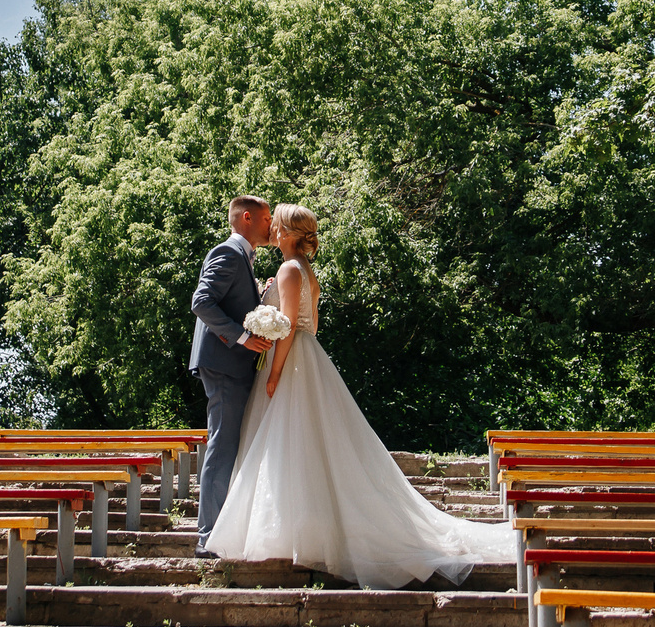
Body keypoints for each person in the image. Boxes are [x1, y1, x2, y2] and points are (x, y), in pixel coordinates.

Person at [204, 203, 514, 587]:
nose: (271, 231)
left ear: (286, 232)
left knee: (287, 447)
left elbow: (284, 330)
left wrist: (276, 373)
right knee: (305, 446)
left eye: (276, 225)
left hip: (289, 362)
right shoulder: (305, 271)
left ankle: (287, 532)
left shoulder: (287, 269)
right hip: (310, 358)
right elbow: (310, 325)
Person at [189, 193, 275, 556]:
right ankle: (208, 539)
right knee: (222, 446)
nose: (272, 225)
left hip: (230, 364)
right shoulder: (227, 252)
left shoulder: (243, 258)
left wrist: (259, 296)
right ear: (246, 219)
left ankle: (217, 531)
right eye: (267, 218)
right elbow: (201, 302)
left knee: (227, 445)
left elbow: (229, 302)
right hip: (224, 364)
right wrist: (242, 337)